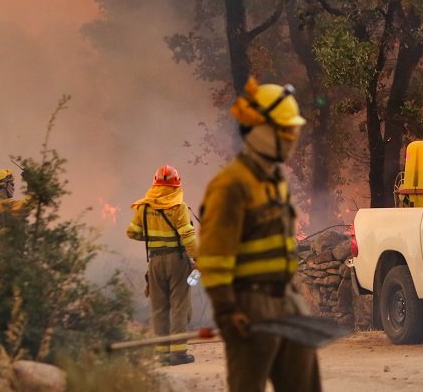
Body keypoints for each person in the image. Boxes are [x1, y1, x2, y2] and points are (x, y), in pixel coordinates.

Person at [199, 77, 321, 392]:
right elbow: (213, 256)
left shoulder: (275, 179)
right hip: (250, 306)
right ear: (259, 131)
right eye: (286, 130)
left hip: (287, 300)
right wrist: (227, 310)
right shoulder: (231, 185)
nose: (293, 138)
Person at [127, 164, 199, 366]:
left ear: (155, 184)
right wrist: (198, 258)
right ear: (177, 184)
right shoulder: (179, 207)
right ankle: (178, 353)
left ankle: (162, 355)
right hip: (177, 261)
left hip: (155, 262)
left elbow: (132, 232)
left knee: (158, 307)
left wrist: (153, 237)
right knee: (179, 306)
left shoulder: (144, 207)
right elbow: (187, 236)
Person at [0, 167, 26, 235]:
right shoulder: (7, 204)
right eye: (12, 184)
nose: (13, 188)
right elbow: (29, 203)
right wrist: (32, 182)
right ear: (5, 184)